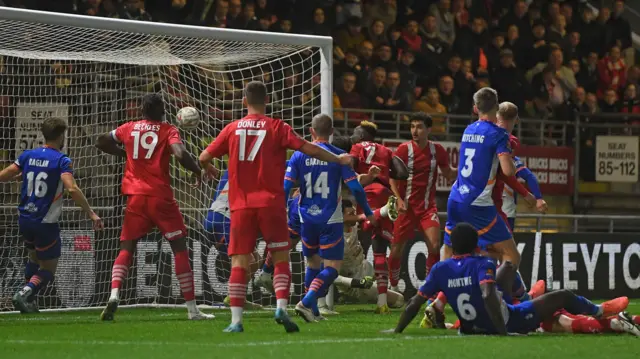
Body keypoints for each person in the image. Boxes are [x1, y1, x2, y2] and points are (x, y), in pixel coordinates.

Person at [198, 81, 352, 333]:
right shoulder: (278, 126)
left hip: (241, 206)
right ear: (267, 101)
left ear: (244, 102)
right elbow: (309, 148)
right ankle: (281, 306)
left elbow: (203, 157)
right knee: (281, 259)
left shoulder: (232, 128)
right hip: (271, 204)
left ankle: (236, 322)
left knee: (239, 262)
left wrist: (208, 168)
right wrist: (338, 158)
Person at [386, 223, 629, 335]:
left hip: (471, 328)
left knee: (508, 269)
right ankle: (598, 311)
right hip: (509, 320)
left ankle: (529, 296)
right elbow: (488, 295)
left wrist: (397, 330)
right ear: (475, 245)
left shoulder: (440, 269)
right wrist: (503, 331)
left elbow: (414, 303)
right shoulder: (483, 263)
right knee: (562, 296)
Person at [95, 94, 215, 321]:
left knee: (126, 248)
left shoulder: (128, 128)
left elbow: (101, 141)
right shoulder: (168, 130)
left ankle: (113, 295)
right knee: (179, 248)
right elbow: (180, 154)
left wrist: (125, 154)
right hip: (160, 197)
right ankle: (192, 310)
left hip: (135, 198)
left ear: (142, 110)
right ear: (162, 112)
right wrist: (198, 171)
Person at [0, 118, 104, 313]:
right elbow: (72, 188)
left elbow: (6, 173)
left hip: (24, 218)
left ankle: (30, 301)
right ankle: (25, 292)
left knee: (33, 258)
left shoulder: (28, 155)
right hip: (45, 221)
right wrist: (91, 213)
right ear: (61, 136)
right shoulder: (61, 160)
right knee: (49, 268)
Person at [285, 114, 377, 322]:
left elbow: (286, 186)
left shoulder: (298, 156)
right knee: (332, 268)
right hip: (330, 219)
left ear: (311, 131)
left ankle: (314, 312)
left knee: (312, 264)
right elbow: (355, 188)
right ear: (332, 132)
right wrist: (369, 212)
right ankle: (307, 302)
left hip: (306, 217)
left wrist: (282, 208)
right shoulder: (339, 156)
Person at [443, 88, 519, 266]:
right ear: (497, 106)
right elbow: (508, 171)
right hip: (478, 203)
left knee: (449, 248)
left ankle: (441, 290)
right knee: (511, 256)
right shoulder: (499, 134)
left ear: (475, 108)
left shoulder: (468, 130)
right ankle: (501, 293)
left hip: (455, 198)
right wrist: (513, 162)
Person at [390, 113, 456, 291]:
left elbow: (449, 174)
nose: (414, 130)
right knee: (396, 248)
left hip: (427, 208)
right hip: (406, 208)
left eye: (419, 127)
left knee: (435, 246)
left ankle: (429, 287)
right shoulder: (404, 150)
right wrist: (398, 199)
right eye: (412, 126)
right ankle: (393, 287)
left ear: (428, 129)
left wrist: (468, 166)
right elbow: (391, 178)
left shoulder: (438, 150)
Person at [349, 121, 408, 314]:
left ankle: (381, 212)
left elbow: (350, 165)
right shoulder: (386, 150)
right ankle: (382, 302)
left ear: (362, 136)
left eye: (356, 133)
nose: (353, 136)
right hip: (383, 192)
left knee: (362, 225)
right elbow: (402, 172)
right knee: (380, 249)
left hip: (366, 192)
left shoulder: (357, 147)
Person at [203, 169, 263, 310]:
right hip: (226, 219)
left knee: (256, 259)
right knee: (249, 260)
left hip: (213, 216)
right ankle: (234, 298)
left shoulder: (231, 169)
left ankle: (237, 297)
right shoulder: (255, 172)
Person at [332, 200, 404, 309]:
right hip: (354, 283)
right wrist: (356, 283)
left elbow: (371, 218)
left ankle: (387, 289)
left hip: (365, 268)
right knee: (399, 300)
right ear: (341, 217)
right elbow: (332, 276)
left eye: (354, 213)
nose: (355, 216)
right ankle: (347, 297)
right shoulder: (335, 240)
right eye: (350, 214)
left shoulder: (354, 226)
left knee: (384, 265)